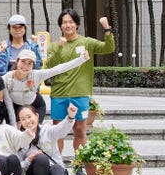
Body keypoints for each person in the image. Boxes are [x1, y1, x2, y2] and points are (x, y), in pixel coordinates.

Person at [47, 9, 115, 161]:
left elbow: (108, 48)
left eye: (71, 21)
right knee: (58, 131)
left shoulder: (87, 43)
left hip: (80, 94)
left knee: (80, 130)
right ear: (60, 26)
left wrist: (107, 28)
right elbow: (49, 67)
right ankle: (57, 163)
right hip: (59, 94)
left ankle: (80, 165)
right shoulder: (54, 45)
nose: (68, 25)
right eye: (64, 22)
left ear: (77, 24)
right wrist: (59, 47)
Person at [19, 102, 79, 175]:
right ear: (20, 122)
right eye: (23, 119)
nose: (27, 121)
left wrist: (70, 116)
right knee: (41, 158)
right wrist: (29, 160)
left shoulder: (47, 130)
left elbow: (60, 130)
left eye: (29, 116)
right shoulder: (20, 138)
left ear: (37, 116)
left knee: (57, 167)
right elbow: (19, 165)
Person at [2, 48, 89, 123]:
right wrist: (14, 124)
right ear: (17, 61)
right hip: (14, 107)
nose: (25, 66)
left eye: (29, 63)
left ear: (33, 65)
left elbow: (58, 69)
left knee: (34, 132)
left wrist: (81, 59)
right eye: (23, 62)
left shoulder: (36, 75)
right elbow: (8, 103)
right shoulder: (6, 78)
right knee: (14, 133)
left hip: (35, 105)